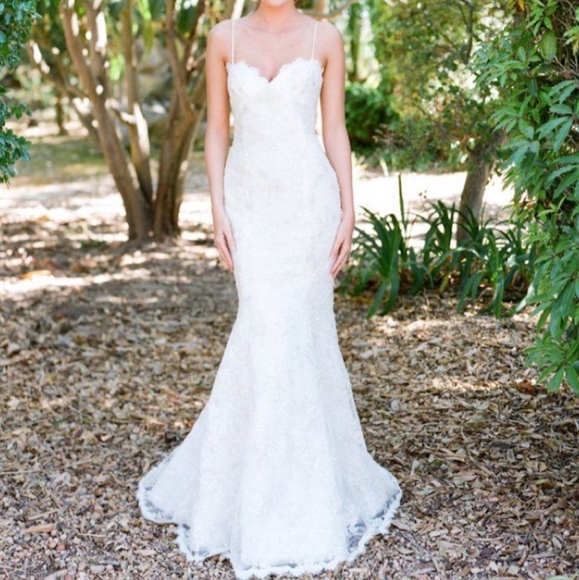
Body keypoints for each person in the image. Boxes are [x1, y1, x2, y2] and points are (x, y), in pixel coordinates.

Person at [137, 1, 402, 578]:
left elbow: (334, 129)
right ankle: (246, 488)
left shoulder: (325, 37)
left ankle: (306, 489)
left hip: (309, 204)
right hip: (250, 206)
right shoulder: (223, 36)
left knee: (298, 337)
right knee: (264, 330)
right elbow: (216, 130)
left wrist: (349, 210)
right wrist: (217, 209)